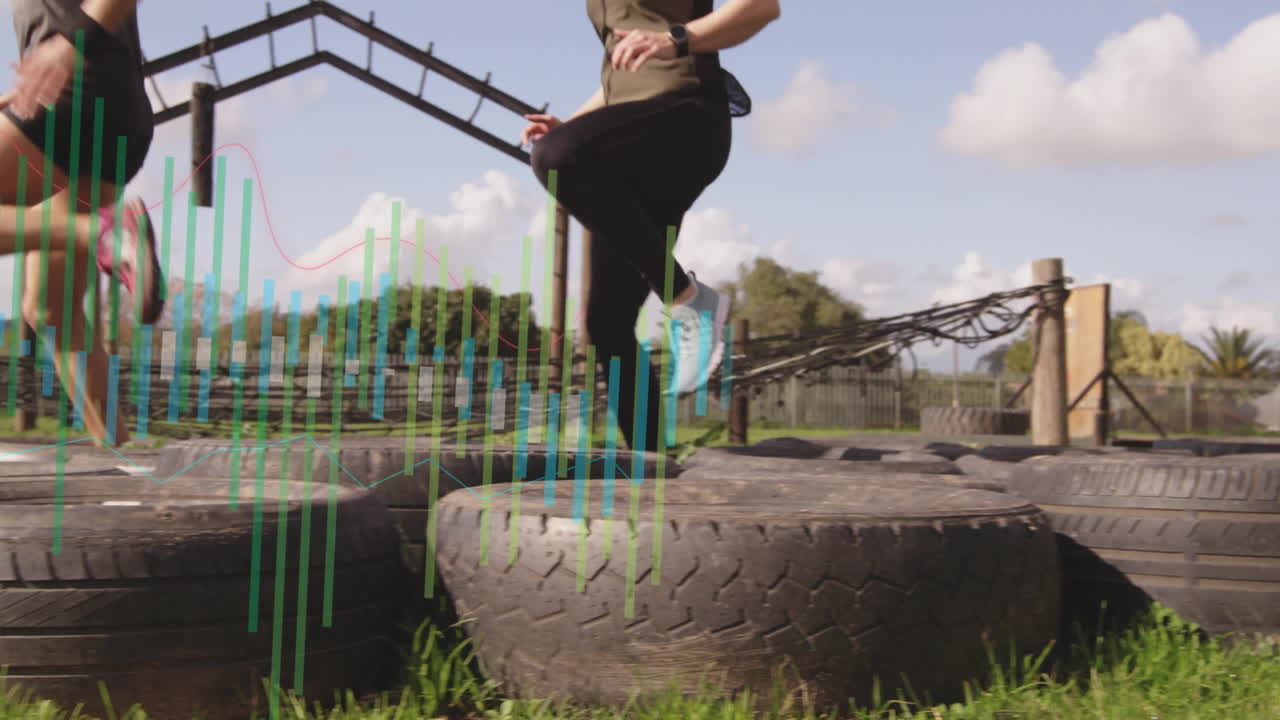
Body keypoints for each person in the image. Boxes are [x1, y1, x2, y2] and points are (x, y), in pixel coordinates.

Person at [523, 0, 779, 454]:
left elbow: (762, 8)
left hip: (684, 118)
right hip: (634, 138)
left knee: (556, 159)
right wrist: (574, 124)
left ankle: (686, 297)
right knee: (607, 322)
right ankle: (651, 465)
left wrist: (676, 38)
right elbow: (627, 72)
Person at [0, 0, 163, 448]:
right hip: (105, 110)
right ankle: (122, 457)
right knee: (52, 311)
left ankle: (103, 233)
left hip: (77, 93)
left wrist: (71, 45)